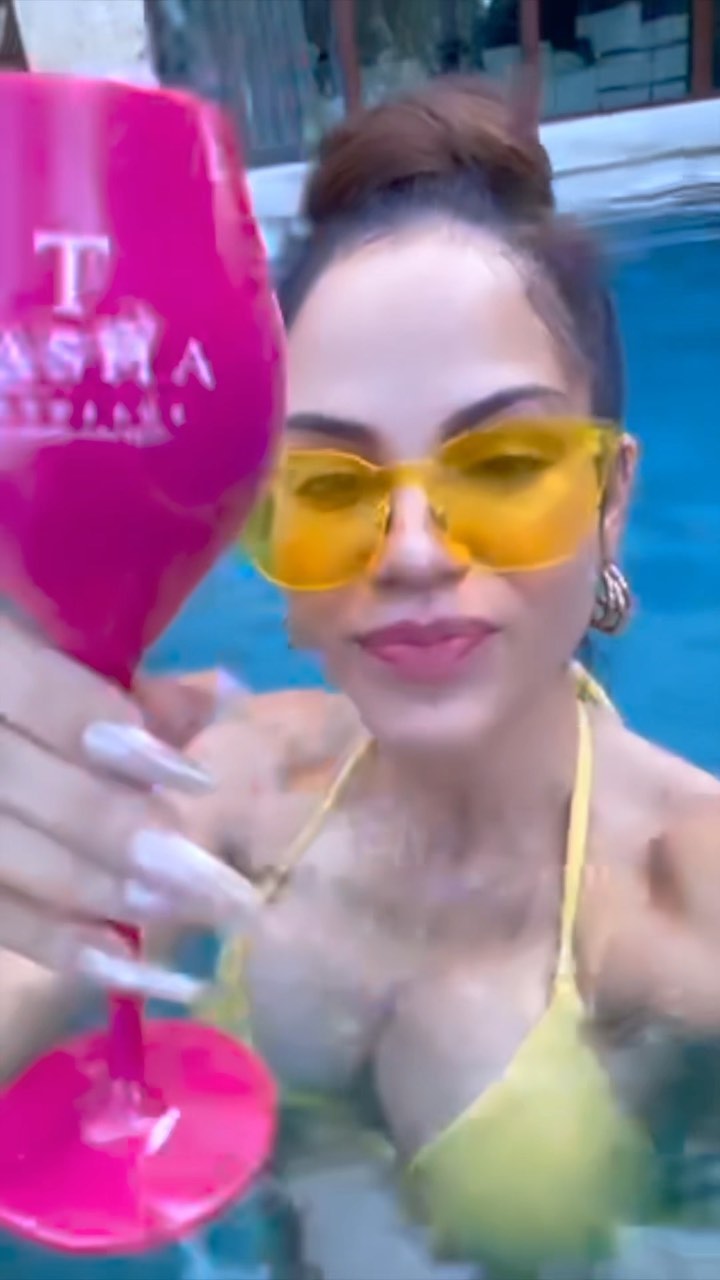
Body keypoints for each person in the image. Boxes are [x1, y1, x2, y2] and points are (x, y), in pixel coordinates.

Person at [2, 75, 720, 1279]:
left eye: (505, 466)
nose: (415, 553)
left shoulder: (683, 893)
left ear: (611, 502)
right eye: (331, 486)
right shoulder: (237, 780)